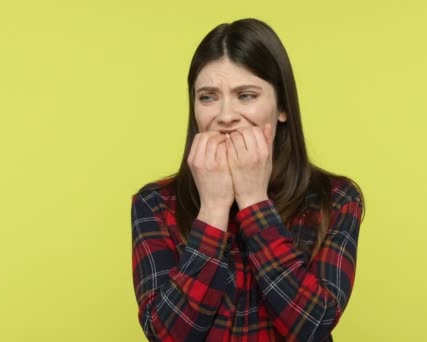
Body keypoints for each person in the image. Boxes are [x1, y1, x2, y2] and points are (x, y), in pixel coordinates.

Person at [130, 18, 366, 342]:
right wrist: (213, 208)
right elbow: (167, 335)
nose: (226, 116)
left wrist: (254, 201)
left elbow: (313, 326)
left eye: (246, 95)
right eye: (208, 97)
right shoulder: (154, 204)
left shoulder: (336, 198)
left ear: (282, 106)